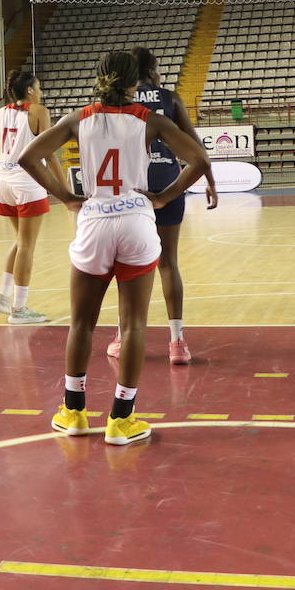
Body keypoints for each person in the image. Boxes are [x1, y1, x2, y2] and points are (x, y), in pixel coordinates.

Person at [19, 51, 210, 446]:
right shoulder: (150, 120)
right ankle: (122, 420)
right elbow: (199, 158)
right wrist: (162, 197)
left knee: (81, 324)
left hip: (95, 218)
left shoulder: (78, 118)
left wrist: (67, 198)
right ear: (134, 82)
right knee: (135, 324)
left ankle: (73, 412)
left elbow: (28, 157)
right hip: (137, 219)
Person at [101, 47, 217, 364]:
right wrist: (210, 180)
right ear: (153, 71)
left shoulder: (116, 101)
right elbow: (194, 145)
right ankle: (177, 343)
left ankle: (124, 337)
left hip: (130, 186)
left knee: (127, 267)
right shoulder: (169, 98)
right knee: (168, 264)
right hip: (167, 182)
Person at [0, 71, 66, 325]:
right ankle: (19, 308)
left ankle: (3, 295)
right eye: (39, 87)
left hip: (4, 182)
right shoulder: (39, 112)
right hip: (26, 181)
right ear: (30, 91)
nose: (40, 91)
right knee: (27, 246)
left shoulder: (0, 113)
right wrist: (65, 190)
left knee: (21, 242)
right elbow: (51, 153)